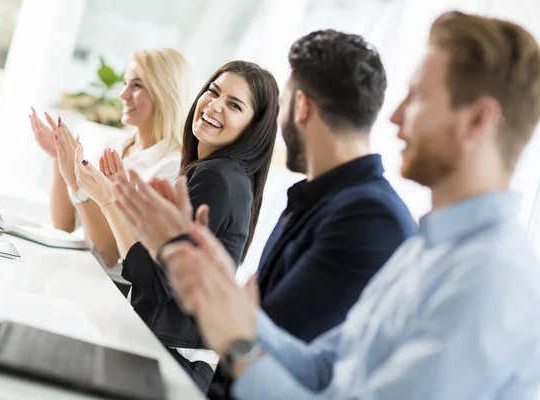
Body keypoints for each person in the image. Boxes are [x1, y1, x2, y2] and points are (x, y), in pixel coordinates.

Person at [157, 11, 540, 399]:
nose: (394, 116)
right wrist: (225, 297)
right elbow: (324, 367)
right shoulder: (428, 249)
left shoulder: (488, 277)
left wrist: (236, 337)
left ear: (478, 121)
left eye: (419, 96)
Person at [112, 30, 416, 398]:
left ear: (300, 106)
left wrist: (210, 288)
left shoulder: (367, 218)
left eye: (283, 101)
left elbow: (280, 358)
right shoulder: (321, 200)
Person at [75, 60, 280, 391]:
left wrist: (107, 200)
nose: (214, 106)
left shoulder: (217, 177)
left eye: (234, 104)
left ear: (252, 127)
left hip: (167, 365)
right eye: (213, 92)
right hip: (161, 357)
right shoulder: (222, 174)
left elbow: (159, 283)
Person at [29, 48, 193, 292]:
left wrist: (76, 181)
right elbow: (64, 224)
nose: (123, 94)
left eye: (136, 86)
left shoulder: (169, 167)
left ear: (165, 93)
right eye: (125, 83)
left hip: (112, 289)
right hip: (82, 274)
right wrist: (59, 159)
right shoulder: (115, 145)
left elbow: (109, 253)